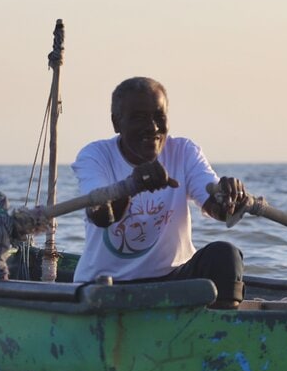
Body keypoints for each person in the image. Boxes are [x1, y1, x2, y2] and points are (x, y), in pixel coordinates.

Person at [71, 76, 252, 309]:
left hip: (172, 282)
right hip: (106, 287)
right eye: (139, 118)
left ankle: (221, 335)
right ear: (117, 123)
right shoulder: (95, 156)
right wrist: (131, 186)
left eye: (159, 116)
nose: (153, 127)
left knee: (225, 255)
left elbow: (216, 207)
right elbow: (100, 215)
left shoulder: (184, 152)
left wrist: (229, 198)